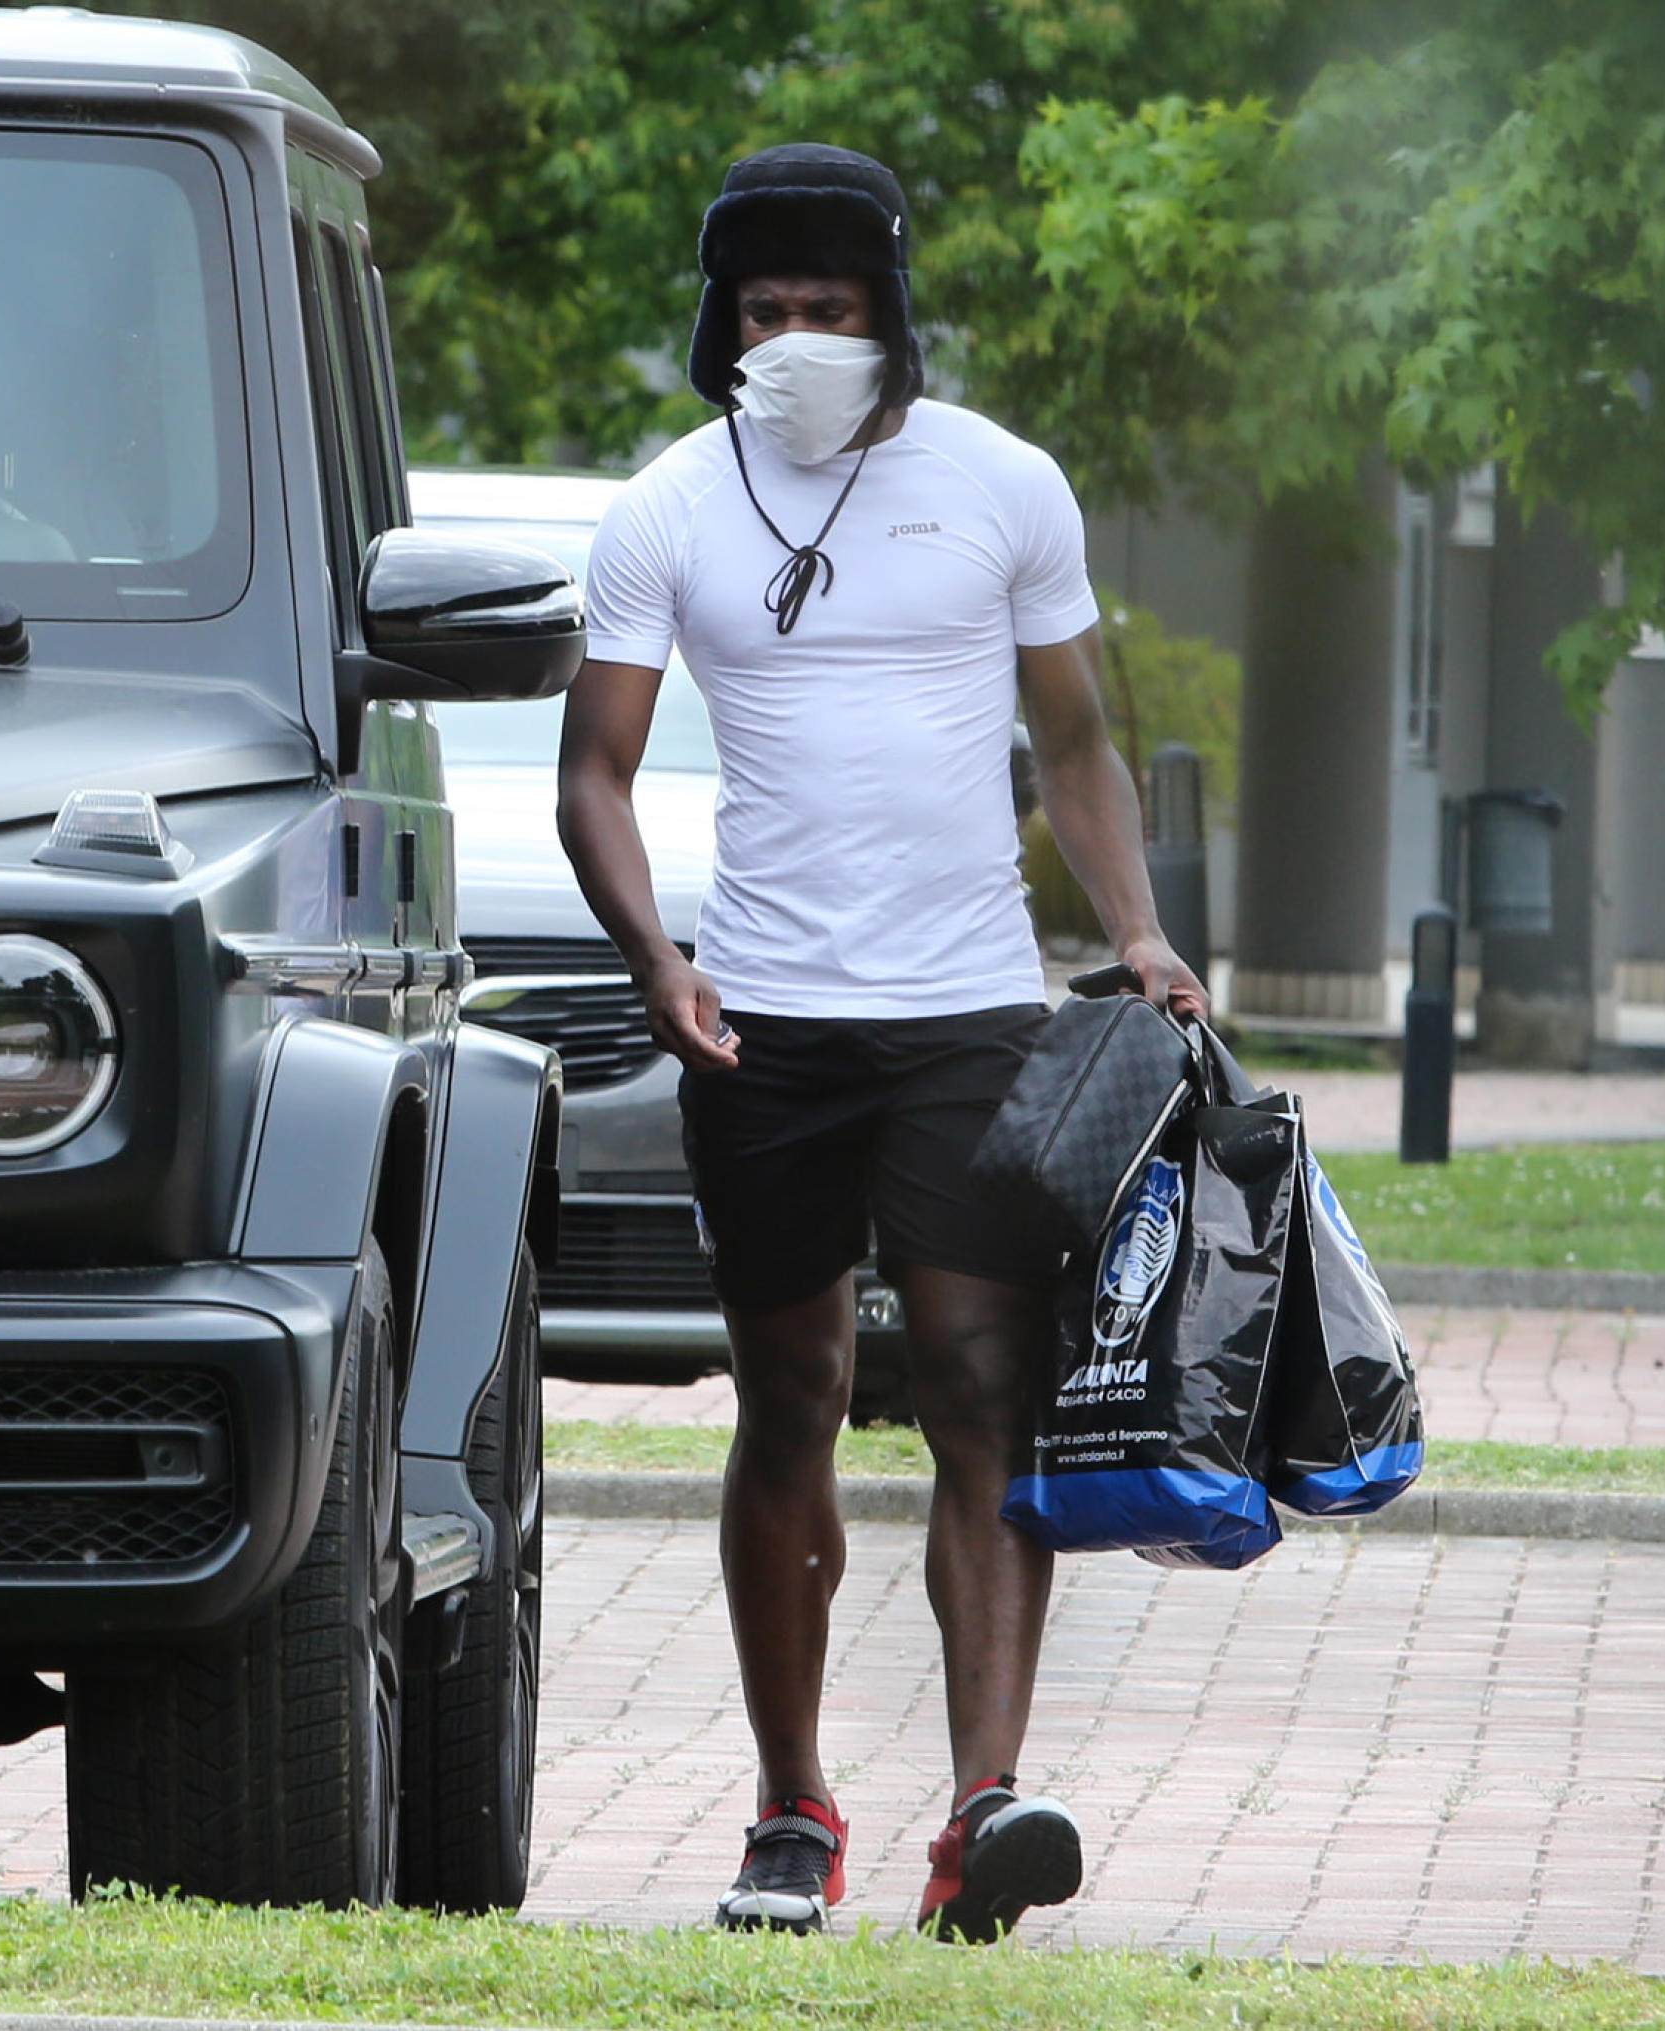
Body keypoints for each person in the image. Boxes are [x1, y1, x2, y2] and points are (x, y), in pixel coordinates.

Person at [553, 142, 1205, 1941]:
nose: (798, 339)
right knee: (795, 1402)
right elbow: (593, 769)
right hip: (760, 1025)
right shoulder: (669, 509)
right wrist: (654, 956)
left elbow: (1075, 743)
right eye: (766, 311)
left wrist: (1136, 929)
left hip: (968, 1022)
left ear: (888, 313)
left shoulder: (1001, 486)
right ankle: (792, 1806)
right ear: (722, 323)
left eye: (831, 308)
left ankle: (986, 1801)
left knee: (987, 1392)